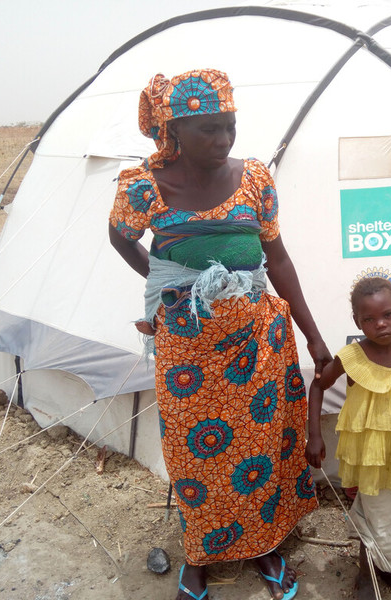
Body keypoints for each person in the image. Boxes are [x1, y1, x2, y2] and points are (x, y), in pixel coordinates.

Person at [108, 68, 331, 600]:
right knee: (194, 451)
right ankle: (201, 554)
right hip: (187, 344)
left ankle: (265, 544)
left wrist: (315, 336)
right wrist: (173, 286)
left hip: (259, 340)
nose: (223, 139)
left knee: (260, 444)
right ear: (174, 131)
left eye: (229, 126)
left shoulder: (255, 178)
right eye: (208, 129)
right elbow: (120, 238)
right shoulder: (144, 187)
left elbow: (276, 259)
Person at [305, 276, 391, 598]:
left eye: (387, 314)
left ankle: (390, 569)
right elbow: (317, 386)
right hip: (367, 454)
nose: (380, 324)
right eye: (369, 319)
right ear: (356, 321)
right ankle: (366, 573)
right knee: (371, 510)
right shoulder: (351, 357)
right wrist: (314, 436)